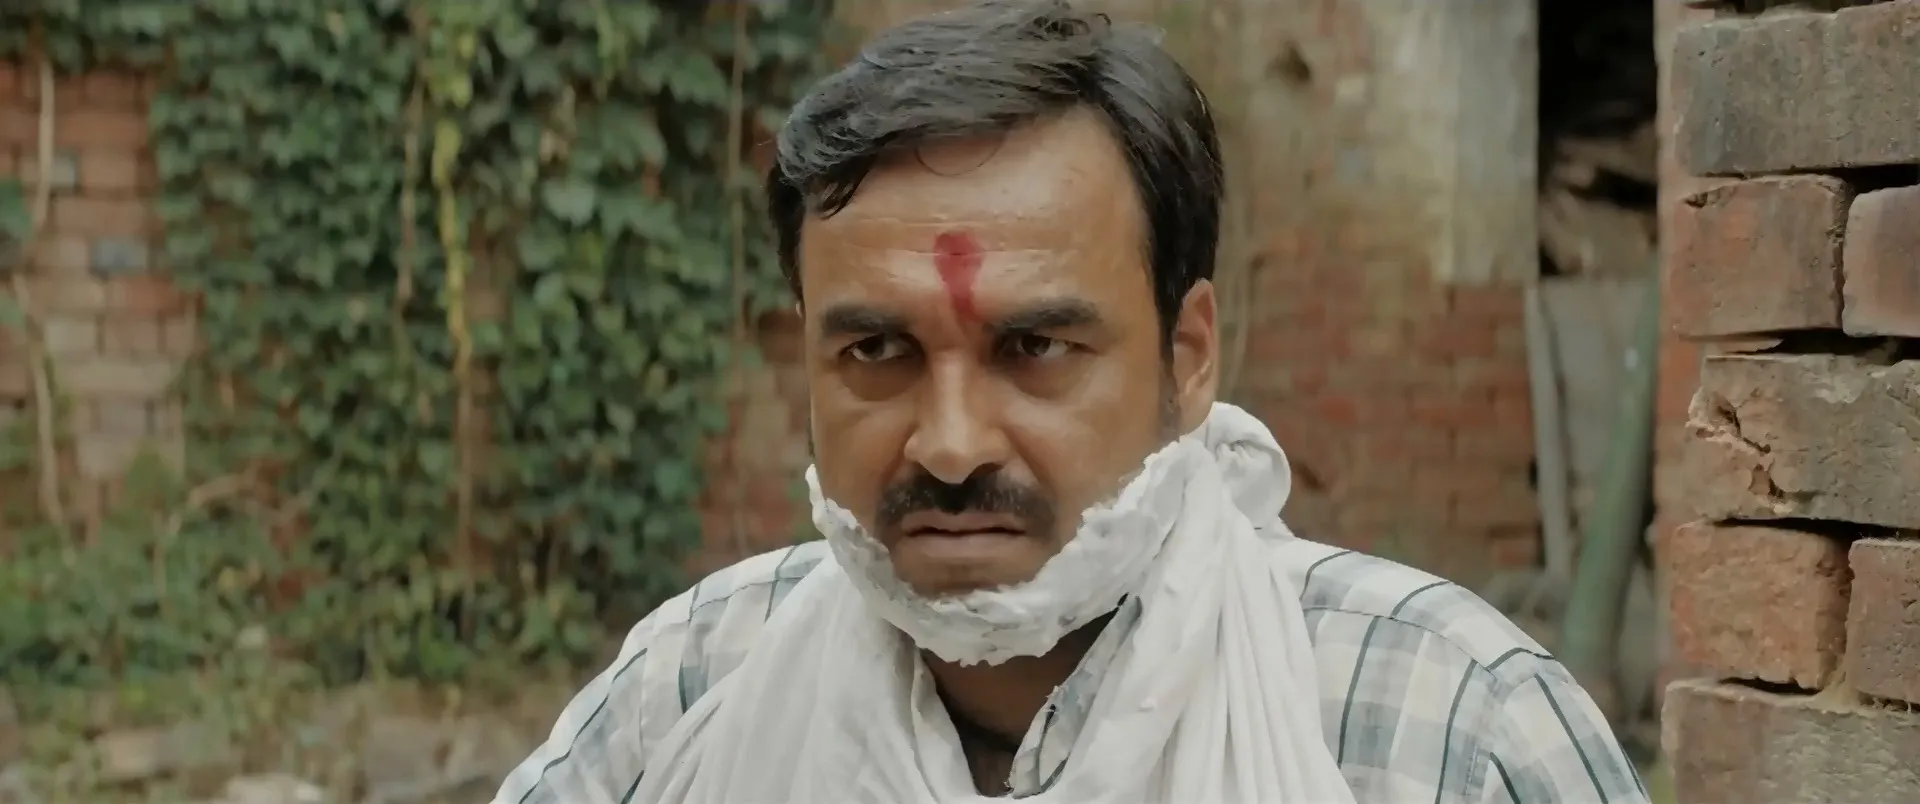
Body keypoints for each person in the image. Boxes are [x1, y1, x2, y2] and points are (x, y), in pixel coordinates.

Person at [491, 1, 1650, 802]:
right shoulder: (692, 693)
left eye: (1036, 347)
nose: (950, 447)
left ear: (1187, 357)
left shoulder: (1447, 731)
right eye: (877, 350)